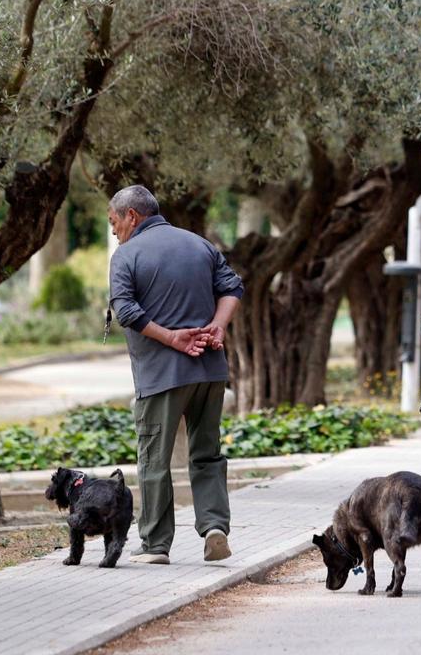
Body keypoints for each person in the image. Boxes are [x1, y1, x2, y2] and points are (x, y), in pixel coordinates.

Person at [107, 185, 244, 564]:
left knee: (154, 458)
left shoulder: (126, 255)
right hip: (210, 371)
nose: (114, 231)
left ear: (132, 216)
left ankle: (154, 544)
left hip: (160, 376)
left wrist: (172, 338)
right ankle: (215, 527)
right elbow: (233, 288)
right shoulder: (200, 244)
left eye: (114, 222)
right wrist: (218, 326)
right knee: (207, 453)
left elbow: (127, 313)